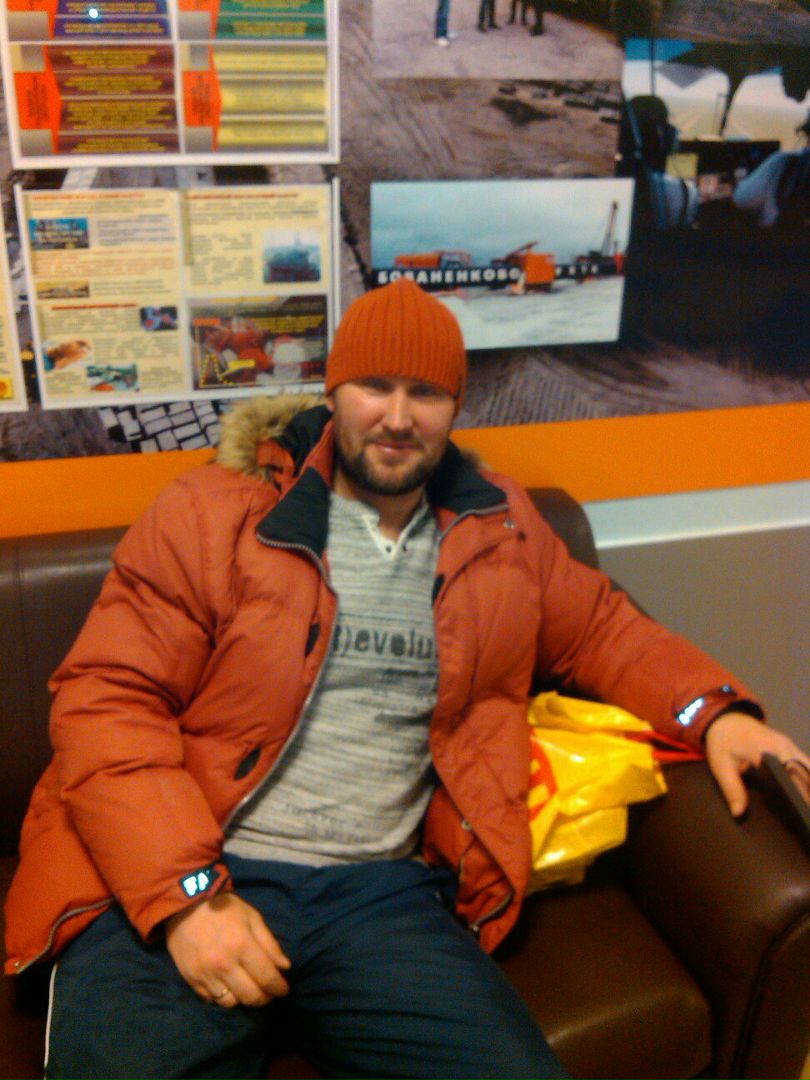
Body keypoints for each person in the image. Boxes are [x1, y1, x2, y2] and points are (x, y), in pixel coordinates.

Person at [5, 279, 807, 1080]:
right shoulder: (214, 513)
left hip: (379, 894)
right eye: (374, 386)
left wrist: (716, 713)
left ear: (456, 406)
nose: (397, 417)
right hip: (200, 856)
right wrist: (188, 898)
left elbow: (601, 627)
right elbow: (106, 702)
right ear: (333, 392)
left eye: (424, 393)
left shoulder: (499, 527)